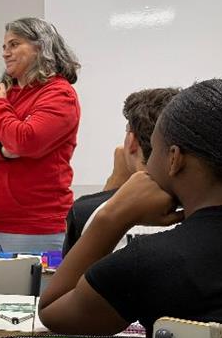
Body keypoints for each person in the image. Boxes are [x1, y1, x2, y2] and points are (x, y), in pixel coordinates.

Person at [40, 79, 222, 336]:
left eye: (156, 151)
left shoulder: (150, 261)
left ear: (174, 159)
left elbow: (54, 313)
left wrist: (113, 216)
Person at [0, 17, 81, 256]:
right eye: (4, 47)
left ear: (40, 46)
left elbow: (24, 141)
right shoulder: (0, 93)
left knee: (35, 295)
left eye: (14, 44)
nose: (5, 53)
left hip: (35, 227)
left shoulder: (59, 94)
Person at [63, 87, 180, 254]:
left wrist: (113, 186)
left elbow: (71, 275)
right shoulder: (197, 205)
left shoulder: (87, 212)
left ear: (132, 141)